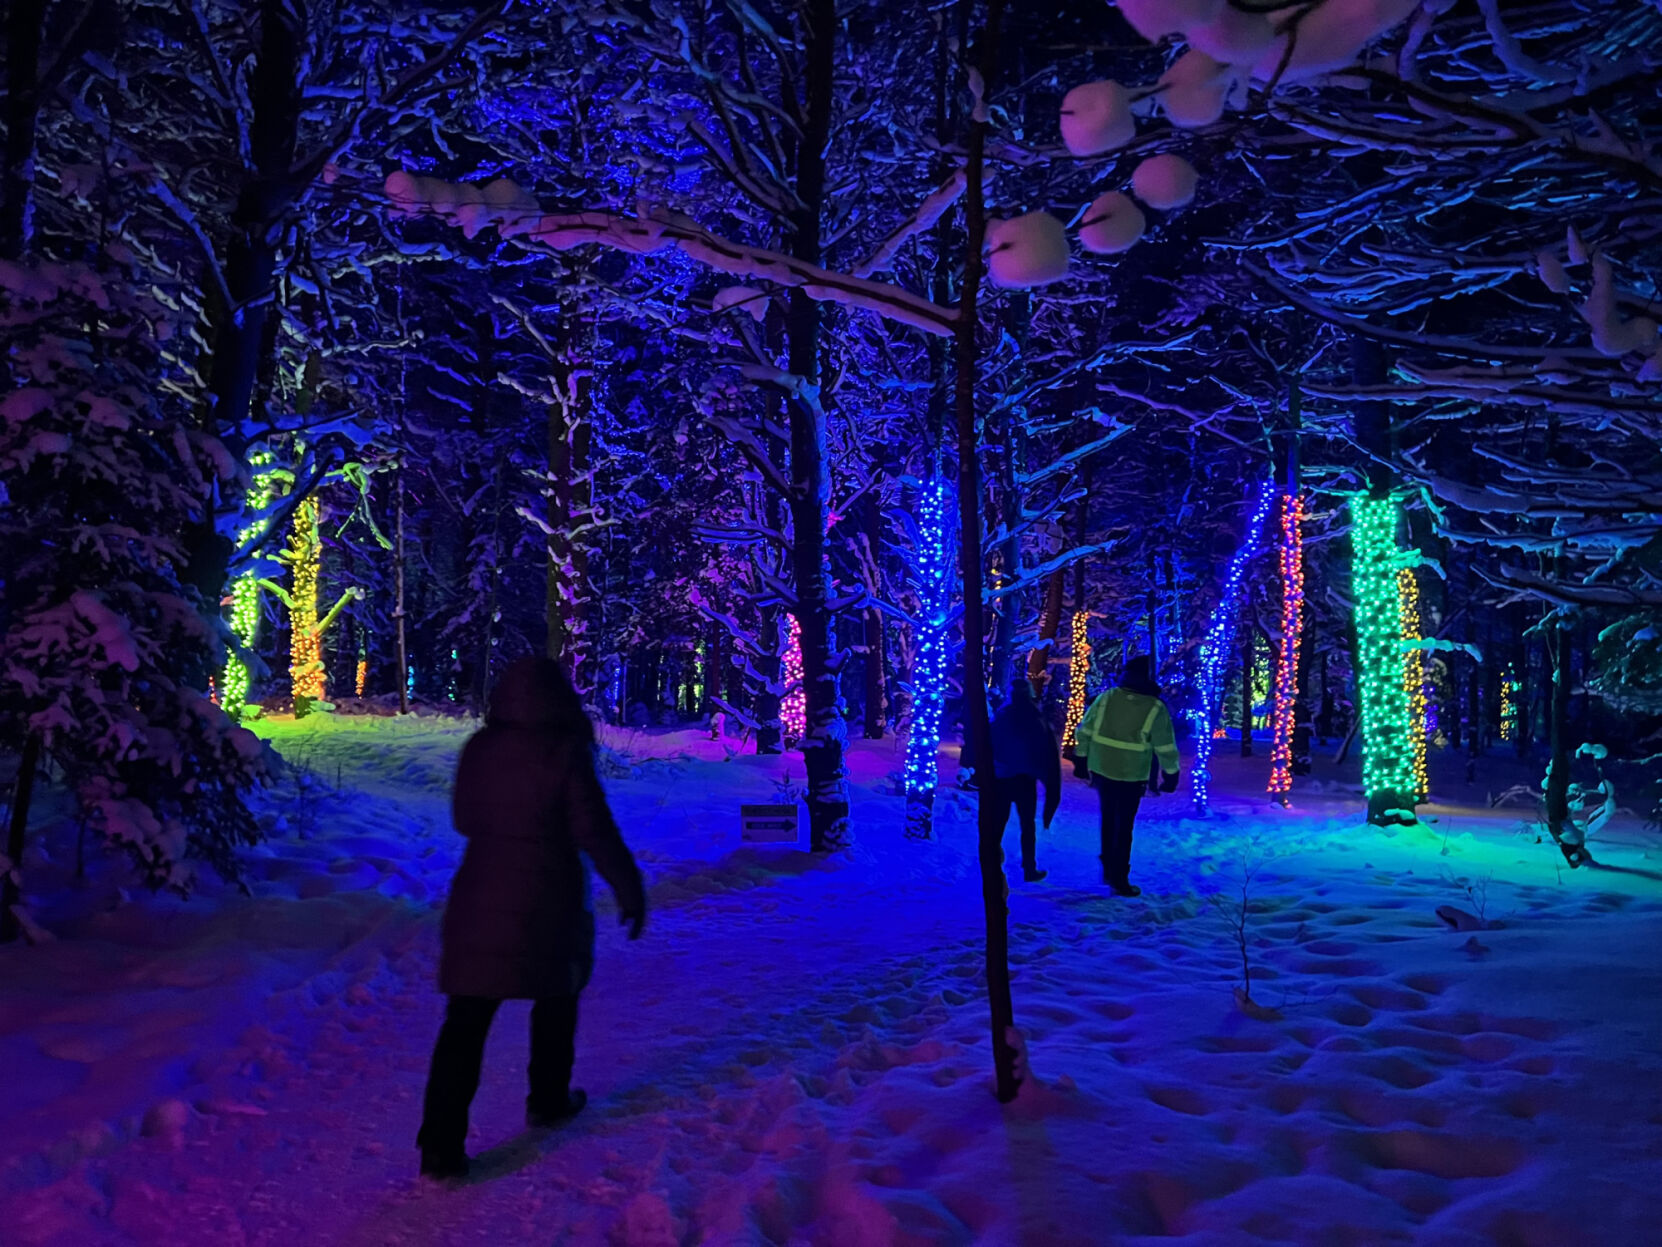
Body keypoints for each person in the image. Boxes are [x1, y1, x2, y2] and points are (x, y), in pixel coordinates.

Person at [417, 657, 646, 1180]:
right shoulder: (564, 751)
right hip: (549, 895)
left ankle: (439, 1147)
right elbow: (595, 830)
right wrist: (629, 888)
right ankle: (547, 1097)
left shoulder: (481, 748)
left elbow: (463, 817)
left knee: (466, 1023)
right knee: (556, 999)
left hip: (480, 893)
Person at [1072, 654, 1179, 896]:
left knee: (1109, 818)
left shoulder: (1107, 697)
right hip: (1132, 774)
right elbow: (1165, 746)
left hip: (1102, 769)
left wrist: (1081, 758)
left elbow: (1086, 729)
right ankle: (1120, 877)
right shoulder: (1155, 707)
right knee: (1125, 825)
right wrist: (1170, 775)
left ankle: (1109, 867)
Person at [987, 678, 1062, 881]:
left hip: (1002, 778)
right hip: (1025, 779)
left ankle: (992, 863)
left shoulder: (1001, 717)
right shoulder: (1035, 717)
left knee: (999, 822)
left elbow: (989, 744)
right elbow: (1046, 751)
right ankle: (1029, 867)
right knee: (1027, 824)